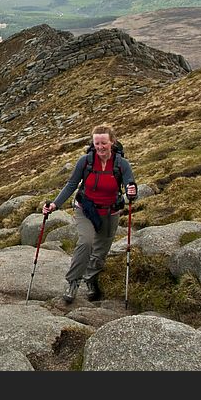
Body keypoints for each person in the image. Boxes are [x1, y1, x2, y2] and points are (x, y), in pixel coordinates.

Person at [42, 124, 137, 303]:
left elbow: (130, 186)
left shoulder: (121, 164)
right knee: (85, 242)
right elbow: (71, 184)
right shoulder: (85, 161)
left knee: (101, 251)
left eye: (104, 143)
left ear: (112, 142)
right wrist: (55, 204)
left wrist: (132, 193)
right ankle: (73, 282)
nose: (100, 147)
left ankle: (90, 279)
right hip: (85, 208)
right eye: (97, 143)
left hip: (110, 212)